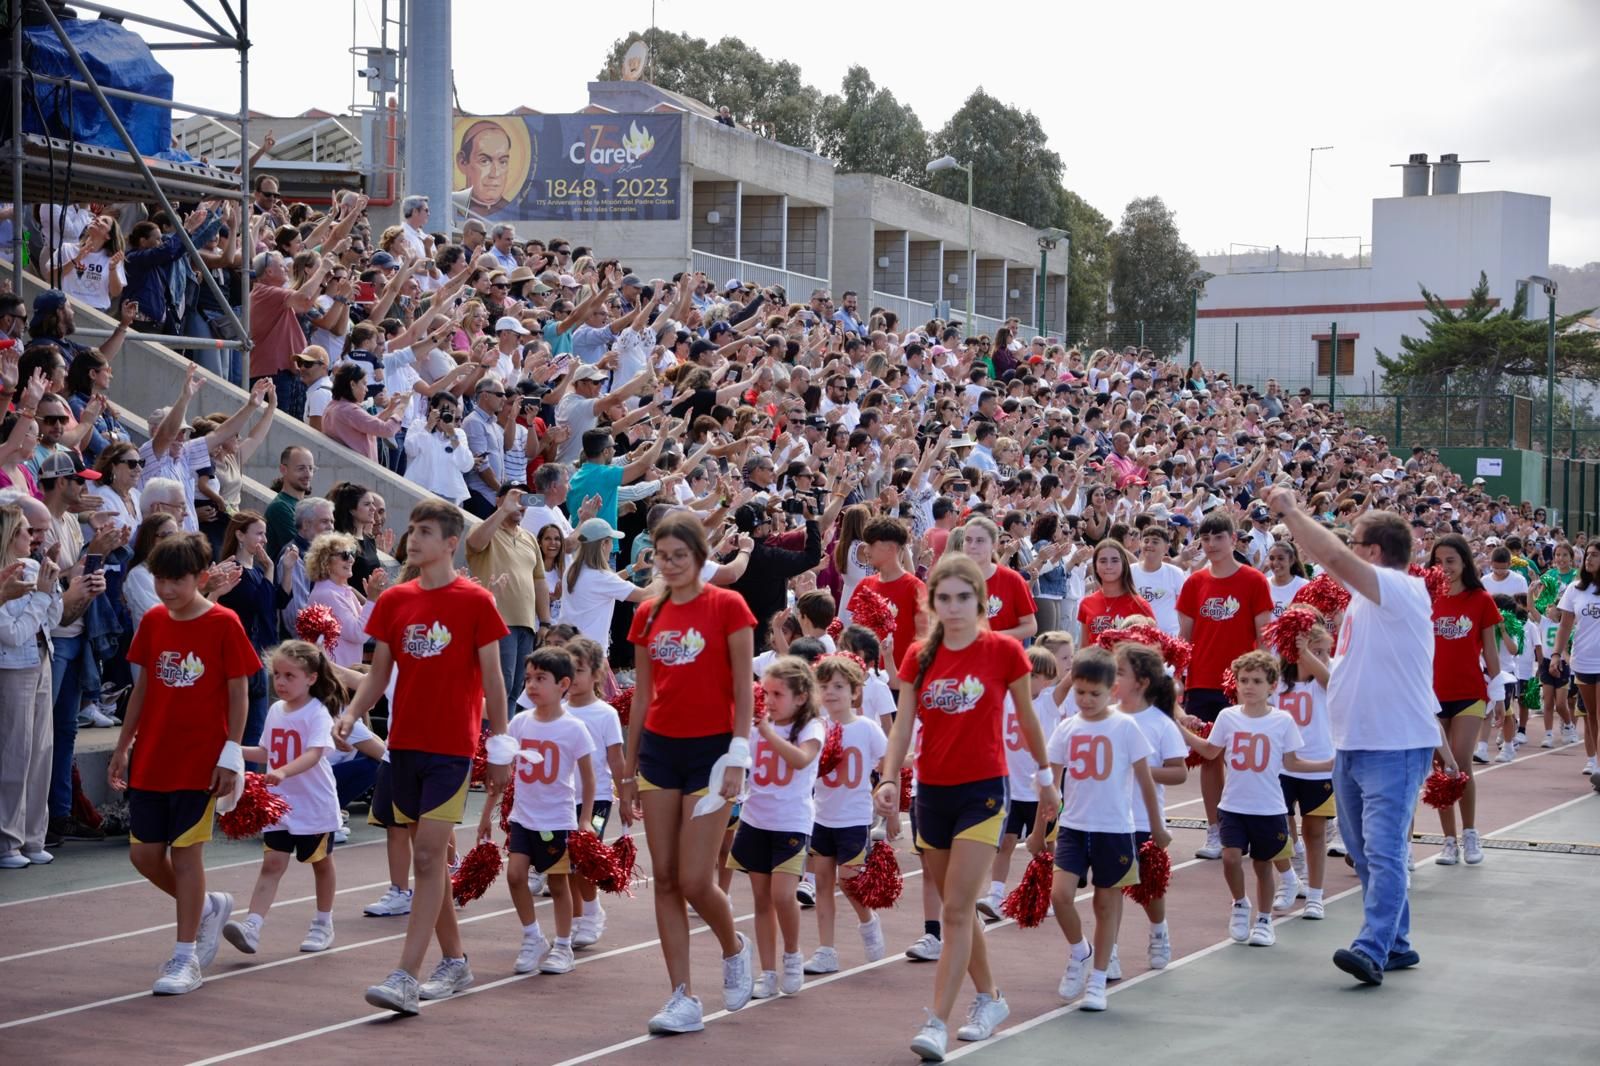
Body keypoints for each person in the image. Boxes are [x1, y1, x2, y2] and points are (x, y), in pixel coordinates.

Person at [1266, 486, 1457, 987]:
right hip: (1352, 743)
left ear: (1373, 553)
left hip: (1392, 746)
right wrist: (1314, 659)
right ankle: (1396, 943)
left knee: (1385, 848)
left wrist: (1291, 510)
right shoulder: (1364, 607)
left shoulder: (1399, 589)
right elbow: (1349, 678)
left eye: (1356, 542)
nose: (1347, 550)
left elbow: (1328, 554)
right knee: (1364, 847)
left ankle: (1371, 947)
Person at [875, 553, 1058, 1059]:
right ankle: (990, 997)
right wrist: (889, 778)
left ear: (980, 600)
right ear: (931, 602)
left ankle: (936, 1021)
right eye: (943, 598)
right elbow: (903, 723)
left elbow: (1027, 719)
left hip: (984, 790)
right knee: (957, 911)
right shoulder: (919, 656)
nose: (953, 607)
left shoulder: (1003, 651)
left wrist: (1046, 780)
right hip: (932, 793)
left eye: (963, 597)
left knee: (956, 909)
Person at [335, 500, 510, 1015]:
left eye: (426, 531)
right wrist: (352, 714)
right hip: (402, 746)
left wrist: (499, 745)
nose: (413, 539)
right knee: (425, 860)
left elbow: (495, 681)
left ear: (451, 543)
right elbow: (378, 673)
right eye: (412, 530)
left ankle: (405, 976)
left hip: (451, 747)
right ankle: (454, 960)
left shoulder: (475, 602)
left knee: (431, 856)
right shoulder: (396, 600)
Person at [618, 512, 756, 1035]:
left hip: (714, 753)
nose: (670, 564)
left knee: (698, 878)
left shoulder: (728, 606)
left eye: (680, 555)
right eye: (661, 555)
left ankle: (733, 945)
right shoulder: (648, 616)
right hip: (658, 753)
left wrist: (738, 755)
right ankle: (682, 995)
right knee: (668, 877)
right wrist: (628, 767)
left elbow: (744, 688)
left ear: (700, 556)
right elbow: (643, 697)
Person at [107, 531, 260, 995]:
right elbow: (145, 688)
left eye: (176, 580)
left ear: (199, 576)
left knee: (186, 854)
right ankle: (209, 907)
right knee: (144, 855)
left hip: (201, 760)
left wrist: (231, 755)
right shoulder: (153, 621)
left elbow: (240, 695)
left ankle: (184, 956)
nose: (166, 589)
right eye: (159, 579)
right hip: (154, 755)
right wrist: (123, 745)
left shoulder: (224, 623)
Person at [1032, 646, 1167, 1012]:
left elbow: (1144, 782)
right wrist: (1037, 831)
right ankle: (1080, 951)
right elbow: (1051, 787)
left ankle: (1097, 980)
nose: (1086, 700)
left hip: (1114, 830)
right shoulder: (1066, 728)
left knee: (1106, 904)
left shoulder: (1126, 727)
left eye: (1095, 693)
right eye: (1080, 692)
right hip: (1073, 827)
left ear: (1113, 690)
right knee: (1060, 896)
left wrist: (1157, 827)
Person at [1179, 650, 1332, 948]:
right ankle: (1239, 903)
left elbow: (1292, 763)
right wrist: (1180, 729)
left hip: (1268, 806)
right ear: (1235, 683)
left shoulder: (1282, 721)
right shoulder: (1228, 716)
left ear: (1272, 686)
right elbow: (1211, 751)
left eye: (1257, 681)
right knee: (1230, 857)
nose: (1249, 686)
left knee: (1264, 865)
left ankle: (1264, 920)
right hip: (1233, 804)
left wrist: (1326, 766)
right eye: (1243, 680)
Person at [479, 645, 595, 977]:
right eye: (528, 678)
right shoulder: (519, 723)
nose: (531, 686)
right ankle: (533, 937)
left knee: (558, 884)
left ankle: (562, 946)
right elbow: (502, 773)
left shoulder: (574, 728)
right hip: (523, 817)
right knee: (515, 875)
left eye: (540, 679)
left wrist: (585, 818)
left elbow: (588, 778)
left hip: (556, 819)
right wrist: (487, 812)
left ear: (564, 684)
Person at [222, 640, 345, 955]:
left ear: (311, 678)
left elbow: (315, 754)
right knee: (273, 863)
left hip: (314, 804)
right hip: (279, 805)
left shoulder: (317, 713)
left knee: (320, 862)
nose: (281, 682)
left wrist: (284, 772)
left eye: (290, 676)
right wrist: (230, 750)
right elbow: (266, 751)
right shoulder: (276, 710)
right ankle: (252, 925)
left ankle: (323, 922)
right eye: (277, 674)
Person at [1176, 511, 1273, 861]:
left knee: (1244, 759)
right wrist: (1180, 680)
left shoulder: (1254, 581)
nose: (1212, 544)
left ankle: (1250, 826)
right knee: (1209, 756)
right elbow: (1184, 639)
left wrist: (1263, 680)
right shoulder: (1193, 583)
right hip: (1202, 680)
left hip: (1242, 683)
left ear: (1233, 539)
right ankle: (1215, 829)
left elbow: (1264, 637)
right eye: (1206, 538)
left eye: (1219, 537)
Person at [730, 656, 826, 999]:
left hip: (792, 823)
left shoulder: (811, 727)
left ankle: (792, 954)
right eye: (765, 692)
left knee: (783, 895)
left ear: (800, 697)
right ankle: (767, 972)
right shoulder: (758, 724)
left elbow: (801, 759)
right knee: (760, 899)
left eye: (777, 694)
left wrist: (767, 732)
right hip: (756, 820)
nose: (768, 700)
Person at [802, 653, 890, 974]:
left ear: (854, 691)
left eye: (838, 686)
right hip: (821, 817)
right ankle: (826, 950)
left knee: (849, 881)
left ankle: (867, 921)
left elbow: (888, 761)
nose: (830, 692)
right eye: (823, 686)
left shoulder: (866, 728)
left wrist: (911, 763)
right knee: (823, 883)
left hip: (854, 818)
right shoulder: (816, 729)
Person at [1108, 640, 1187, 968]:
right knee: (1109, 888)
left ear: (1140, 683)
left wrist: (1140, 768)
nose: (1112, 678)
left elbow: (1179, 772)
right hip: (1109, 819)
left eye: (1119, 673)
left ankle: (1158, 931)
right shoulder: (1105, 716)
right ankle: (1107, 951)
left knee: (1150, 888)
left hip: (1142, 819)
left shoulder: (1161, 724)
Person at [1425, 533, 1502, 865]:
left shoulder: (1481, 599)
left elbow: (1491, 650)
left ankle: (1470, 833)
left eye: (1451, 561)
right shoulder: (1426, 600)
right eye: (1438, 562)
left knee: (1460, 761)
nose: (1444, 568)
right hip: (1432, 695)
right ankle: (1448, 841)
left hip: (1470, 692)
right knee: (1441, 767)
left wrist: (1499, 691)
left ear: (1465, 562)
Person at [977, 646, 1060, 921]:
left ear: (1047, 680)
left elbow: (1071, 681)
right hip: (1010, 789)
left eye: (1034, 674)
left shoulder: (1049, 702)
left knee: (1044, 846)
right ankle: (996, 894)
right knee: (1005, 843)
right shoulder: (1007, 698)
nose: (1027, 677)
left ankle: (1044, 894)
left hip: (1039, 791)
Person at [0, 500, 62, 867]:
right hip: (13, 669)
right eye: (26, 529)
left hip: (42, 659)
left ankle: (33, 837)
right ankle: (8, 841)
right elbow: (12, 633)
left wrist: (49, 591)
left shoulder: (37, 566)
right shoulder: (5, 576)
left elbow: (50, 619)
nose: (33, 537)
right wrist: (39, 597)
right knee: (14, 752)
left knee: (42, 753)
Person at [559, 636, 625, 946]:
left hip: (596, 799)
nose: (573, 677)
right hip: (562, 799)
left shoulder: (605, 714)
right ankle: (576, 917)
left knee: (583, 858)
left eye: (580, 670)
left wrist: (625, 796)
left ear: (597, 674)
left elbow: (615, 758)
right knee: (565, 861)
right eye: (568, 669)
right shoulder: (557, 711)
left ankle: (591, 912)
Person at [1273, 618, 1335, 918]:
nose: (1324, 657)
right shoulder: (1278, 679)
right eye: (1318, 651)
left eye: (1325, 651)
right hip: (1282, 767)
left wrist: (1309, 654)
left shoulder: (1326, 675)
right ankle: (1290, 877)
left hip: (1319, 765)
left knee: (1315, 831)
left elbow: (1329, 681)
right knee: (1280, 827)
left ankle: (1315, 894)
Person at [216, 512, 278, 751]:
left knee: (256, 728)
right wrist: (270, 569)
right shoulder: (233, 569)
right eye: (259, 533)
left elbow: (274, 604)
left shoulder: (256, 570)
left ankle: (249, 784)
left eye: (265, 534)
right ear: (240, 535)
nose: (264, 540)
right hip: (240, 654)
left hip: (257, 651)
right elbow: (260, 604)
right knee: (246, 728)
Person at [561, 517, 653, 656]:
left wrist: (634, 568)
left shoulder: (573, 569)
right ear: (603, 544)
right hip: (591, 655)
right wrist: (661, 573)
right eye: (611, 541)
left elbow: (608, 584)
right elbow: (645, 595)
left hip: (569, 648)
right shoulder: (601, 577)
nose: (612, 546)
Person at [1549, 541, 1600, 777]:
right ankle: (1593, 760)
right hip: (1583, 660)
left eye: (1595, 555)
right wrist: (1557, 654)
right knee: (1591, 715)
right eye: (1588, 554)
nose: (1589, 559)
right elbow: (1565, 626)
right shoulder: (1575, 589)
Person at [306, 531, 389, 671]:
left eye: (352, 553)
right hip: (334, 678)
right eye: (345, 555)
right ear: (326, 561)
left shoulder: (341, 590)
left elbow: (370, 622)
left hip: (342, 674)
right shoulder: (328, 594)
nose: (351, 559)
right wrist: (372, 599)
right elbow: (359, 634)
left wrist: (375, 597)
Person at [955, 516, 1037, 643]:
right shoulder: (951, 580)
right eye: (968, 540)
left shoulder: (1012, 580)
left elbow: (1030, 626)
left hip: (1003, 657)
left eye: (980, 541)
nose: (972, 546)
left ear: (994, 545)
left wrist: (991, 637)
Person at [1076, 539, 1155, 638]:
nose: (1109, 566)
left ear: (1124, 564)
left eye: (1115, 560)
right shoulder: (1086, 603)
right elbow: (1084, 647)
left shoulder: (1140, 604)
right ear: (1095, 566)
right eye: (1103, 561)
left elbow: (1154, 645)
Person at [1132, 524, 1186, 636]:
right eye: (1146, 541)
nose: (1149, 545)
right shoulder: (1130, 571)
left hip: (1169, 636)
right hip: (1137, 636)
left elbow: (1183, 610)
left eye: (1155, 542)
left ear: (1166, 548)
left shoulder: (1176, 573)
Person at [265, 446, 317, 561]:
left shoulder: (309, 507)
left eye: (311, 468)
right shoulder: (280, 507)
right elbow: (303, 549)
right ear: (284, 469)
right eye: (301, 469)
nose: (308, 474)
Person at [1266, 541, 1310, 618]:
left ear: (1291, 560)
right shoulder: (1264, 584)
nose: (1275, 562)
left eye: (1280, 558)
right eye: (1272, 558)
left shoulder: (1303, 586)